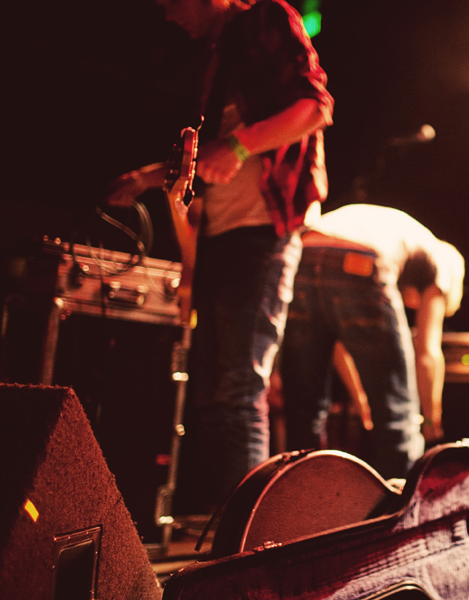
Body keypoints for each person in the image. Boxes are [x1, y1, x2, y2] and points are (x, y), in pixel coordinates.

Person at [105, 0, 333, 507]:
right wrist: (145, 178)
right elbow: (207, 156)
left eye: (171, 1)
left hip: (263, 228)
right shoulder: (217, 53)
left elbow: (315, 107)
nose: (167, 14)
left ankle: (246, 542)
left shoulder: (267, 17)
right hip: (221, 238)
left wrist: (237, 148)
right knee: (212, 398)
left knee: (236, 392)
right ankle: (232, 528)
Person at [277, 204, 465, 479]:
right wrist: (430, 418)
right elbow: (427, 351)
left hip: (304, 251)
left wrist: (361, 399)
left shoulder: (400, 234)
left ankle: (306, 504)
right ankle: (402, 513)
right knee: (398, 415)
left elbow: (339, 345)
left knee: (304, 410)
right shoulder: (443, 262)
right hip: (360, 257)